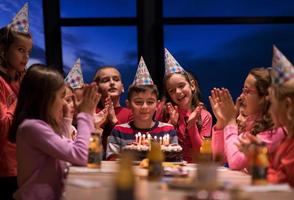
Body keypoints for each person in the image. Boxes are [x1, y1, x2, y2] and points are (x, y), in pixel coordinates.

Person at [8, 64, 99, 199]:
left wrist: (74, 117)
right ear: (46, 98)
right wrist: (85, 115)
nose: (64, 103)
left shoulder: (45, 127)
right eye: (62, 96)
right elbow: (83, 155)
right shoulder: (32, 127)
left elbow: (91, 156)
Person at [238, 46, 294, 186]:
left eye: (272, 103)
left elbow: (277, 184)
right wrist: (257, 157)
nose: (270, 109)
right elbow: (272, 175)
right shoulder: (287, 141)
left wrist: (256, 157)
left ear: (287, 105)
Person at [209, 67, 285, 170]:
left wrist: (231, 122)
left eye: (247, 91)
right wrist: (221, 122)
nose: (241, 96)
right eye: (243, 90)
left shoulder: (275, 132)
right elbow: (219, 159)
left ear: (265, 98)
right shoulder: (248, 130)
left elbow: (236, 163)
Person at [106, 57, 178, 160]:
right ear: (128, 104)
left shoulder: (168, 130)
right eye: (138, 102)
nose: (144, 107)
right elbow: (112, 161)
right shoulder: (119, 131)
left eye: (150, 102)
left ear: (157, 105)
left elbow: (173, 160)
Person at [155, 48, 212, 162]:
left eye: (181, 86)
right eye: (171, 90)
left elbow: (201, 151)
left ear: (192, 85)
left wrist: (192, 127)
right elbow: (157, 145)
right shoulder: (164, 112)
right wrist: (171, 124)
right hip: (169, 167)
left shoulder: (205, 116)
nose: (177, 92)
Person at [0, 3, 32, 199]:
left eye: (28, 52)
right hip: (4, 167)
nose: (26, 57)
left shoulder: (19, 81)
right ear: (3, 49)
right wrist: (23, 96)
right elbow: (3, 126)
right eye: (21, 50)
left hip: (24, 163)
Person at [93, 66, 132, 158]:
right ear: (97, 89)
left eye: (116, 79)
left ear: (122, 87)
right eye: (105, 80)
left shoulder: (130, 113)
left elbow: (131, 143)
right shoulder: (93, 112)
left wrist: (114, 120)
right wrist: (97, 125)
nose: (112, 83)